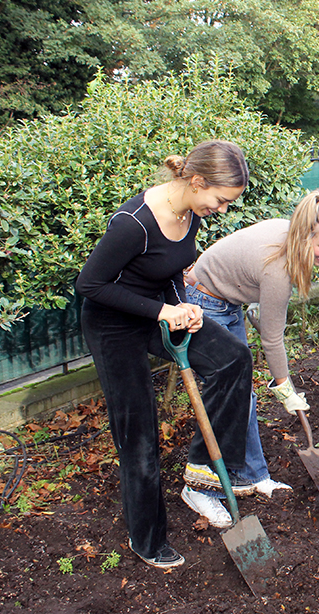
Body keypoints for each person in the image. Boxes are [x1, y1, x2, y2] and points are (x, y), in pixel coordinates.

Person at [76, 140, 252, 569]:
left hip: (159, 311)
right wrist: (164, 310)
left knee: (233, 358)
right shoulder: (133, 223)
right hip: (113, 324)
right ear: (196, 182)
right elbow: (90, 285)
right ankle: (147, 538)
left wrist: (184, 304)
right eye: (221, 199)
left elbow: (171, 267)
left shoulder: (190, 211)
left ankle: (202, 475)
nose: (223, 209)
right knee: (139, 434)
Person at [180, 191, 319, 526]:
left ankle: (254, 476)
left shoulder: (291, 235)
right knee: (225, 397)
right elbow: (272, 339)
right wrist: (285, 390)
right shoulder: (279, 269)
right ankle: (200, 489)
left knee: (243, 394)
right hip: (203, 302)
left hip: (224, 300)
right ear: (304, 236)